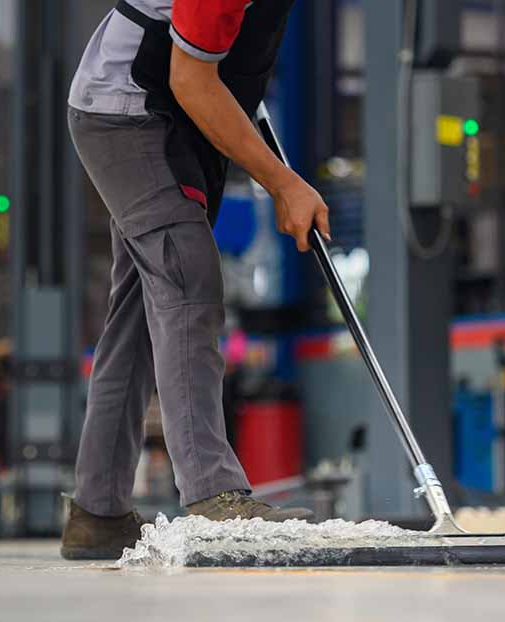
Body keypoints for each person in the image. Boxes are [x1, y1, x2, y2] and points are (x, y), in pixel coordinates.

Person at [61, 0, 330, 560]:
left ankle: (98, 515)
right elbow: (190, 76)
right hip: (129, 112)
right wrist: (282, 182)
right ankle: (213, 495)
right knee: (187, 280)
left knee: (137, 316)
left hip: (172, 114)